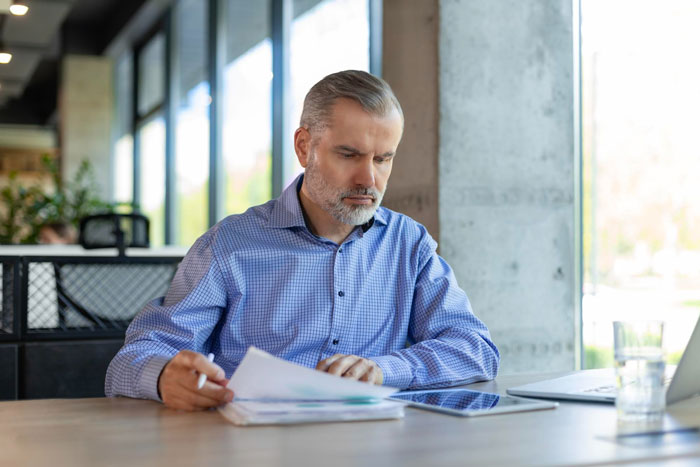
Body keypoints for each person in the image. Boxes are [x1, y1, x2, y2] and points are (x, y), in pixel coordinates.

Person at [105, 70, 499, 411]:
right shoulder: (230, 245)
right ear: (303, 147)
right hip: (254, 447)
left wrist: (385, 369)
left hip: (371, 445)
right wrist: (162, 378)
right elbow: (132, 359)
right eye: (349, 154)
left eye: (383, 159)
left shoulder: (408, 243)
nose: (369, 179)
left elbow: (476, 349)